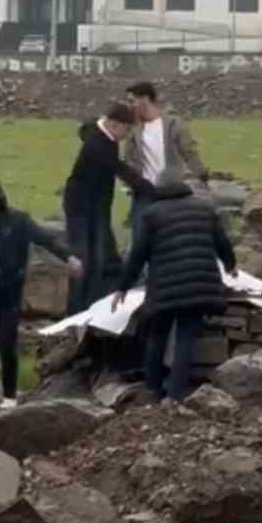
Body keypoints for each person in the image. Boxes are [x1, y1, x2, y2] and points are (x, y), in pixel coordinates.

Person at [0, 178, 82, 407]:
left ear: (1, 200)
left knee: (7, 343)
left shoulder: (19, 221)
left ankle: (9, 396)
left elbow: (46, 239)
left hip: (9, 292)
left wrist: (68, 257)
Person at [112, 178, 237, 404]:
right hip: (199, 283)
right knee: (186, 337)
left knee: (157, 333)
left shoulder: (152, 214)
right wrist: (230, 265)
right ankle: (175, 395)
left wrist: (123, 287)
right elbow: (222, 242)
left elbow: (138, 255)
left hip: (164, 288)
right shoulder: (204, 209)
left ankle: (152, 389)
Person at [62, 102, 153, 312]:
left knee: (101, 257)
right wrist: (151, 189)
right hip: (81, 210)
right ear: (114, 124)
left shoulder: (104, 137)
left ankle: (93, 304)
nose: (127, 135)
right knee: (84, 258)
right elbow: (119, 168)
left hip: (97, 208)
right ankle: (76, 310)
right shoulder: (98, 144)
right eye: (126, 129)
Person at [123, 81, 208, 249]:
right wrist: (130, 183)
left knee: (173, 239)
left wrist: (201, 174)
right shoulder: (134, 128)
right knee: (140, 241)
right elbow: (128, 159)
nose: (129, 105)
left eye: (132, 101)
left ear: (145, 99)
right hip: (144, 193)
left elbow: (189, 151)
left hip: (171, 191)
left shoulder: (174, 124)